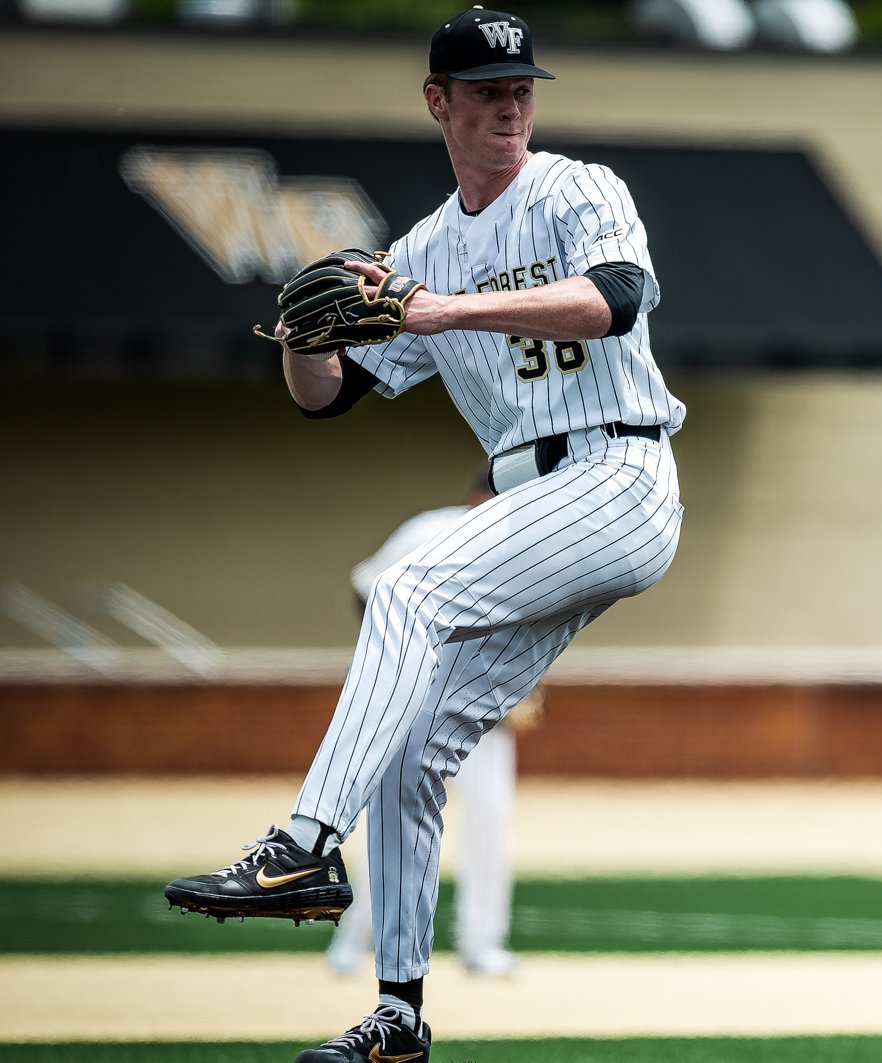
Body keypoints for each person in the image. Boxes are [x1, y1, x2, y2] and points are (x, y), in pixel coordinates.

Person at [164, 7, 686, 1062]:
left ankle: (302, 846)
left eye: (521, 89)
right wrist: (301, 335)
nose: (509, 108)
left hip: (618, 472)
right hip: (534, 499)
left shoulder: (573, 188)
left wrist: (436, 313)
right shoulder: (423, 249)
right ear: (437, 102)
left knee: (409, 588)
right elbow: (331, 395)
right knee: (413, 752)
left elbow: (615, 301)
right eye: (487, 91)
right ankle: (397, 1019)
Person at [326, 471, 543, 980]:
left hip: (484, 709)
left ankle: (481, 945)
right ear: (479, 497)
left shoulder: (532, 549)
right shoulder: (430, 531)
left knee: (491, 823)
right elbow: (366, 586)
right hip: (417, 703)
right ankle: (356, 941)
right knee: (397, 822)